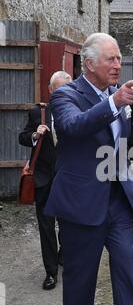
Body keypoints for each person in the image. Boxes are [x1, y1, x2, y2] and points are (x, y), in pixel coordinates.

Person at [44, 33, 133, 305]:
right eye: (111, 59)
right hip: (81, 202)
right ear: (89, 63)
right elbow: (73, 126)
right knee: (81, 273)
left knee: (126, 267)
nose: (118, 64)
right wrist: (114, 103)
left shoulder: (117, 96)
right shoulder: (66, 95)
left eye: (119, 58)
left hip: (118, 199)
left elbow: (123, 142)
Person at [19, 71, 72, 290]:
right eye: (57, 89)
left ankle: (63, 255)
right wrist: (34, 135)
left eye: (65, 90)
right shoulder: (38, 112)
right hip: (43, 178)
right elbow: (22, 137)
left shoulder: (76, 111)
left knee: (69, 223)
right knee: (46, 225)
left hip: (68, 178)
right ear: (50, 90)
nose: (61, 93)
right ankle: (50, 272)